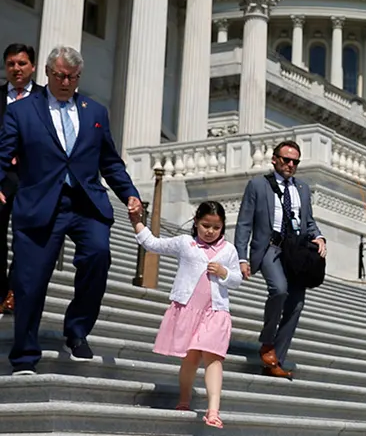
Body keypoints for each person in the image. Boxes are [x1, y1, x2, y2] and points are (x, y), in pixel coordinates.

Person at [0, 46, 142, 375]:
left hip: (86, 203)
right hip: (39, 204)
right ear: (47, 73)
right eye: (61, 75)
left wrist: (129, 194)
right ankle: (24, 356)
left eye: (73, 77)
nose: (66, 82)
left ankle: (77, 330)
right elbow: (3, 154)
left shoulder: (95, 112)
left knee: (98, 256)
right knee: (30, 282)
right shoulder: (21, 112)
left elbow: (109, 161)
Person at [130, 201, 242, 429]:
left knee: (214, 358)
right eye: (205, 225)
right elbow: (154, 244)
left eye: (216, 227)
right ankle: (184, 399)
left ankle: (213, 411)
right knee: (190, 360)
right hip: (188, 310)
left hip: (216, 312)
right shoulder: (185, 243)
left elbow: (237, 279)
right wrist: (137, 222)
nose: (210, 231)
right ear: (196, 222)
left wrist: (224, 273)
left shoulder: (229, 250)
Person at [233, 140, 326, 379]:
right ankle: (266, 342)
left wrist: (320, 237)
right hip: (269, 248)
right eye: (286, 159)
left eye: (295, 161)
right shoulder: (258, 185)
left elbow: (308, 221)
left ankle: (276, 360)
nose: (291, 164)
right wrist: (241, 257)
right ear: (274, 159)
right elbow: (244, 223)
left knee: (296, 305)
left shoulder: (303, 189)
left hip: (296, 253)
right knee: (279, 290)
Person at [1, 42, 37, 315]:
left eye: (22, 63)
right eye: (11, 63)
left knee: (26, 240)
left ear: (33, 67)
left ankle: (13, 290)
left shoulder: (47, 100)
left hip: (34, 179)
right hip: (3, 177)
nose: (16, 68)